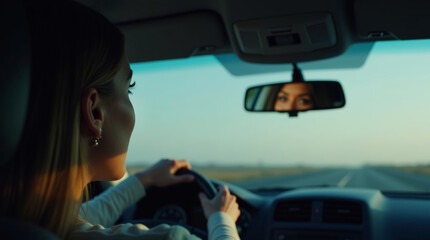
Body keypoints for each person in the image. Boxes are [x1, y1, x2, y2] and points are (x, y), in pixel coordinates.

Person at [0, 1, 240, 239]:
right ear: (95, 112)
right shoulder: (169, 237)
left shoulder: (25, 221)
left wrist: (144, 179)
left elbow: (84, 215)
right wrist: (222, 220)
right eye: (129, 89)